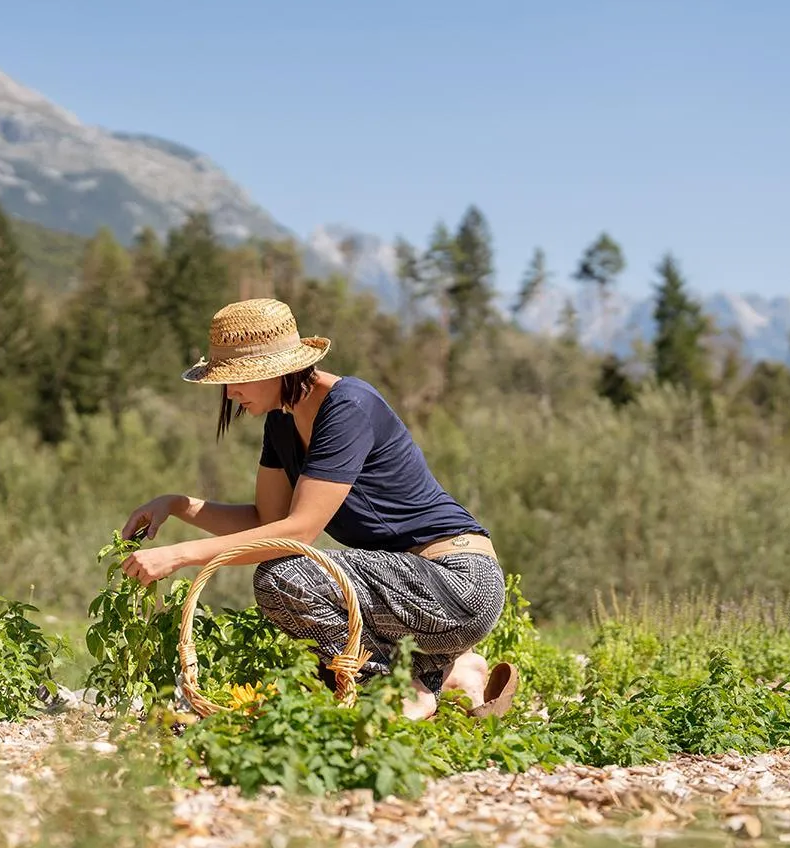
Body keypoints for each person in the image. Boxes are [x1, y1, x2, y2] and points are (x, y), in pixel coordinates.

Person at [119, 298, 516, 720]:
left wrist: (179, 555)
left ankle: (405, 687)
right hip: (407, 593)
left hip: (461, 583)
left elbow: (298, 532)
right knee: (289, 585)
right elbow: (266, 523)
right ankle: (447, 671)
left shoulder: (349, 406)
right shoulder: (281, 422)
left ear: (278, 369)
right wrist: (178, 504)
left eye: (239, 378)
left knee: (284, 576)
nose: (230, 392)